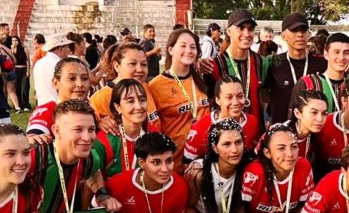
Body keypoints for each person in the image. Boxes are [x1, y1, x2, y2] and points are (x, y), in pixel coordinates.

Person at [29, 100, 120, 213]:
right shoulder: (35, 156)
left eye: (91, 129)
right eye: (78, 130)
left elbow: (94, 173)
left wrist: (102, 195)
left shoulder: (90, 158)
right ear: (57, 131)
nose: (87, 138)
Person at [148, 28, 211, 168]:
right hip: (173, 163)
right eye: (183, 46)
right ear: (170, 50)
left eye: (193, 47)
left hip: (202, 160)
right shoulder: (156, 86)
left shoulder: (202, 78)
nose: (189, 51)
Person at [182, 119, 249, 213]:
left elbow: (239, 208)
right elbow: (187, 208)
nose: (235, 150)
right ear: (215, 147)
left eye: (238, 142)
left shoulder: (247, 169)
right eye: (226, 144)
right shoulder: (198, 173)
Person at [241, 123, 315, 213]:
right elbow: (239, 209)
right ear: (267, 153)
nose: (290, 154)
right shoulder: (254, 173)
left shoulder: (304, 167)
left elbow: (302, 206)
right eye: (281, 148)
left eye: (294, 146)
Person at [205, 9, 269, 126]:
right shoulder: (214, 65)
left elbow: (265, 97)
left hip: (255, 132)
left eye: (250, 29)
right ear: (229, 31)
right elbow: (209, 103)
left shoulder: (262, 63)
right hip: (226, 133)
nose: (247, 34)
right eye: (241, 28)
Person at [266, 13, 327, 126]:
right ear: (283, 36)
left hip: (313, 129)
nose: (300, 34)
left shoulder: (322, 64)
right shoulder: (273, 63)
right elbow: (263, 95)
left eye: (303, 30)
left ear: (308, 34)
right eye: (294, 30)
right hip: (281, 129)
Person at [183, 75, 259, 164]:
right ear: (217, 100)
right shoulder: (201, 127)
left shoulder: (252, 122)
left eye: (240, 96)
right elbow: (187, 163)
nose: (235, 102)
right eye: (229, 97)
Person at [95, 78, 158, 178]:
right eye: (130, 101)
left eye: (142, 100)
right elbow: (94, 180)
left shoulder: (154, 134)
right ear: (118, 107)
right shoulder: (103, 141)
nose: (138, 106)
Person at [26, 57, 92, 140]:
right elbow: (33, 137)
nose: (80, 84)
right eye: (72, 78)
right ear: (56, 83)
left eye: (85, 78)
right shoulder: (47, 111)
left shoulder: (92, 108)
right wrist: (34, 138)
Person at [90, 43, 155, 127]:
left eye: (144, 64)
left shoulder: (146, 87)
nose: (140, 69)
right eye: (132, 63)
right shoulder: (100, 99)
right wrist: (97, 124)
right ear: (117, 66)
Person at [290, 32, 349, 114]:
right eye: (336, 52)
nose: (341, 57)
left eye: (346, 53)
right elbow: (293, 118)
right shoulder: (307, 83)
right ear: (326, 54)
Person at [287, 89, 329, 166]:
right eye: (314, 112)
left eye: (324, 113)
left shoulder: (320, 136)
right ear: (297, 113)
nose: (320, 119)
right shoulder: (278, 135)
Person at [32, 34, 76, 107]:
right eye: (67, 47)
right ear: (61, 48)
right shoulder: (60, 64)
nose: (69, 50)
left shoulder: (38, 63)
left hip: (43, 106)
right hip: (58, 107)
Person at [11, 36, 30, 111]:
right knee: (17, 88)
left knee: (25, 88)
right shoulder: (11, 50)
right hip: (16, 70)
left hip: (24, 69)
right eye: (13, 40)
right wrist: (12, 50)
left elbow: (27, 60)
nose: (14, 42)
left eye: (16, 40)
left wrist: (28, 71)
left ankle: (26, 105)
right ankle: (18, 104)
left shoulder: (24, 49)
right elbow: (12, 60)